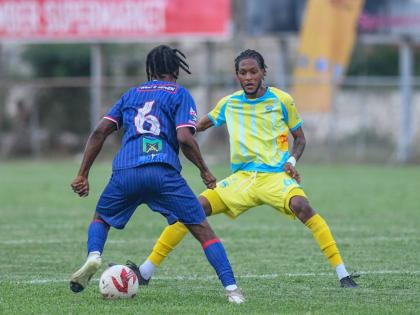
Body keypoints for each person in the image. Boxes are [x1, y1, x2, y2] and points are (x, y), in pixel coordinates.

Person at [137, 49, 358, 288]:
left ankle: (343, 274)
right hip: (241, 179)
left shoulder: (282, 100)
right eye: (243, 73)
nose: (249, 77)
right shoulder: (229, 103)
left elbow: (300, 139)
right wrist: (169, 130)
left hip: (274, 177)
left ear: (263, 72)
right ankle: (145, 272)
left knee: (302, 207)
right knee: (190, 209)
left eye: (253, 71)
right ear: (237, 76)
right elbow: (197, 126)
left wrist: (291, 161)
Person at [69, 45, 244, 304]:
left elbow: (99, 132)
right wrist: (205, 170)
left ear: (150, 70)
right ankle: (232, 291)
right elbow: (184, 137)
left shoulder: (130, 95)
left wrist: (83, 174)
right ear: (176, 69)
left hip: (126, 171)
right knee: (202, 230)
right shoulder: (180, 94)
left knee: (101, 219)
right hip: (162, 172)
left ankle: (94, 254)